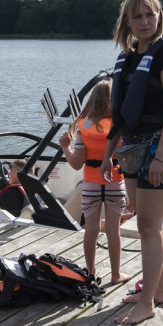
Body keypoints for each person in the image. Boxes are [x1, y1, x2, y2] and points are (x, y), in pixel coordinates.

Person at [99, 0, 163, 325]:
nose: (144, 21)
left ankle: (148, 304)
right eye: (136, 16)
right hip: (132, 145)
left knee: (148, 226)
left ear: (158, 15)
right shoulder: (130, 55)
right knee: (146, 221)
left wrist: (160, 156)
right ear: (127, 20)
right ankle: (158, 290)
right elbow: (122, 113)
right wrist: (108, 154)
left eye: (149, 14)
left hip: (158, 146)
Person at [59, 79, 130, 285]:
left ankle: (90, 273)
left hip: (90, 184)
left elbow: (76, 163)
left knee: (91, 229)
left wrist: (66, 146)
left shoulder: (84, 127)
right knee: (113, 230)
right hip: (115, 182)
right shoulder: (121, 127)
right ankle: (116, 275)